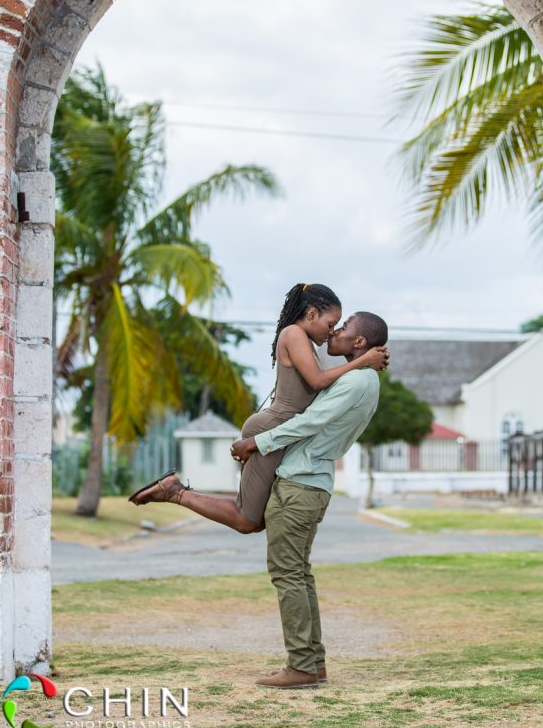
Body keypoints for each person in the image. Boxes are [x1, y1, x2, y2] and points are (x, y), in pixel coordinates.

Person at [127, 284, 388, 533]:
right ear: (311, 314)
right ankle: (174, 492)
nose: (332, 331)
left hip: (279, 431)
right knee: (247, 519)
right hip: (270, 428)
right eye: (331, 324)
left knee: (258, 516)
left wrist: (364, 361)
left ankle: (175, 491)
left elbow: (327, 386)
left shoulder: (306, 342)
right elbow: (318, 381)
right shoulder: (294, 334)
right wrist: (363, 360)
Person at [230, 310, 388, 690]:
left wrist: (256, 442)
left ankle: (301, 665)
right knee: (298, 573)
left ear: (360, 343)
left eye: (343, 327)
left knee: (287, 574)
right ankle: (311, 664)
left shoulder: (358, 381)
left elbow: (309, 421)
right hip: (308, 483)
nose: (335, 331)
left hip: (300, 485)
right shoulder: (359, 377)